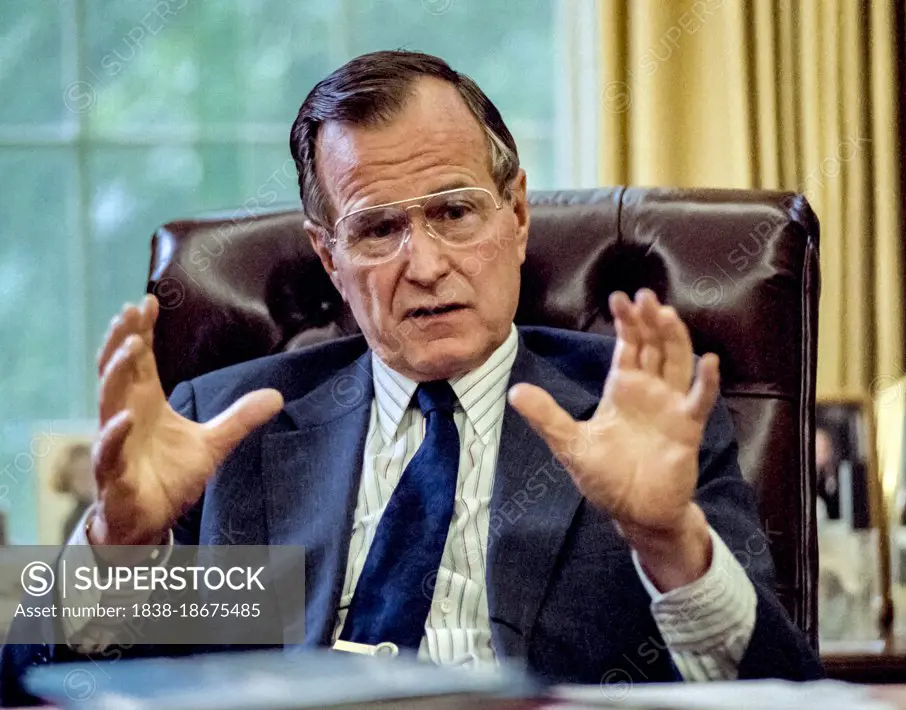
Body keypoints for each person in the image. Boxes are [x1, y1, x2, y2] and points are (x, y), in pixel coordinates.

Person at [0, 51, 821, 705]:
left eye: (455, 212)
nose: (424, 265)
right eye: (378, 229)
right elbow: (34, 682)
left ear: (518, 213)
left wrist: (666, 540)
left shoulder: (634, 406)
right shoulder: (229, 428)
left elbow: (778, 689)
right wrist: (118, 551)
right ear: (330, 256)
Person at [50, 443, 96, 542]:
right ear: (69, 482)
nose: (89, 479)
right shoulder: (74, 523)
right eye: (81, 475)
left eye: (90, 471)